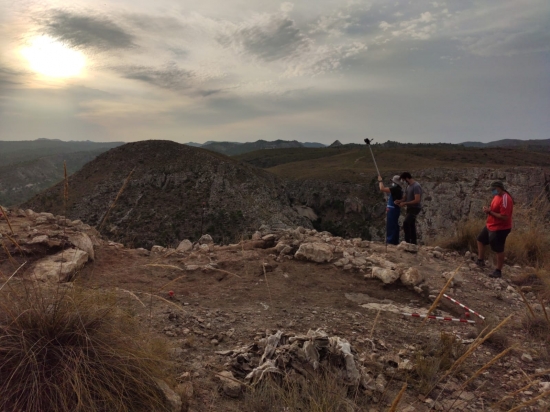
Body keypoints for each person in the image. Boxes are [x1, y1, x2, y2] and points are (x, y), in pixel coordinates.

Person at [476, 181, 514, 278]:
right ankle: (480, 260)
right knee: (480, 240)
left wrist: (490, 212)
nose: (492, 191)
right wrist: (488, 210)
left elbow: (505, 217)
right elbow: (495, 209)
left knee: (498, 249)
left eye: (494, 189)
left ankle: (498, 271)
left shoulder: (505, 199)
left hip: (500, 228)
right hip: (491, 225)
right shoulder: (496, 196)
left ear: (499, 188)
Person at [395, 172, 422, 245]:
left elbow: (417, 200)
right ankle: (413, 242)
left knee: (406, 223)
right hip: (410, 208)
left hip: (415, 208)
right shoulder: (408, 186)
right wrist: (400, 201)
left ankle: (407, 242)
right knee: (411, 225)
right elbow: (406, 197)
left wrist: (405, 203)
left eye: (404, 180)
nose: (404, 181)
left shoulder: (416, 186)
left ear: (407, 178)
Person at [377, 175, 403, 245]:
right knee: (394, 225)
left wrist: (380, 181)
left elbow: (382, 188)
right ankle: (395, 241)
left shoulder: (396, 189)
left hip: (392, 209)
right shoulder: (399, 189)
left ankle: (390, 241)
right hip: (394, 209)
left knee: (391, 226)